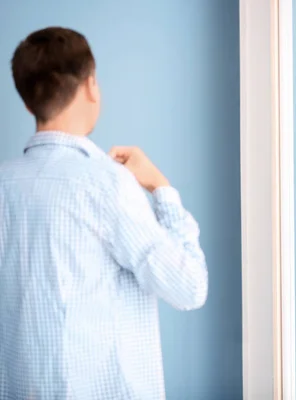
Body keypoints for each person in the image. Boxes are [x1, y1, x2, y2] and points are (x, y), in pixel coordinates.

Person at [0, 27, 208, 399]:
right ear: (91, 85)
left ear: (28, 103)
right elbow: (189, 287)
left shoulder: (4, 184)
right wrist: (161, 188)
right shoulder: (107, 184)